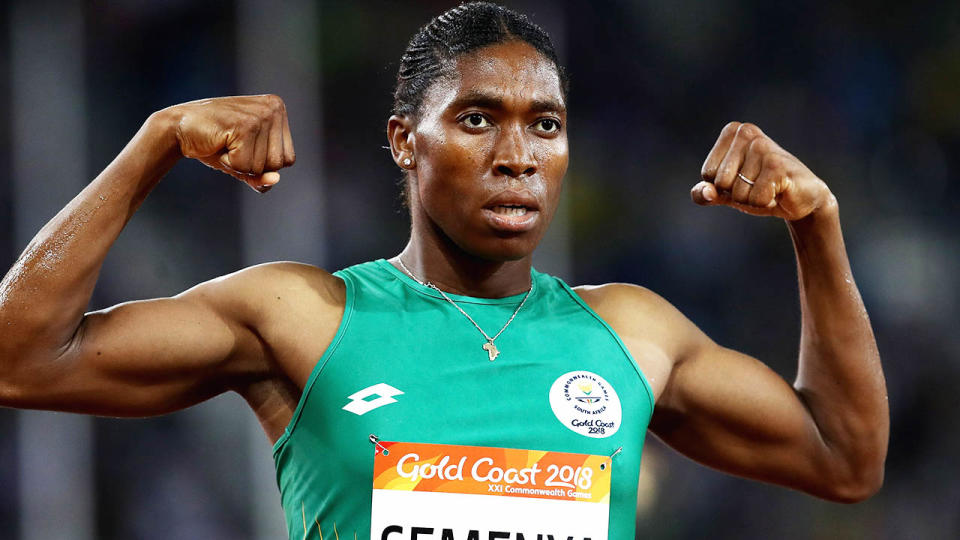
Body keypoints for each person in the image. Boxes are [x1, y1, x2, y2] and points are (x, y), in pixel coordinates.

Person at [0, 2, 887, 539]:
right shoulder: (303, 315)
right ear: (404, 142)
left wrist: (817, 225)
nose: (517, 155)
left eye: (545, 125)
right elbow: (21, 357)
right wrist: (154, 143)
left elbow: (845, 459)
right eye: (476, 120)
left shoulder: (633, 333)